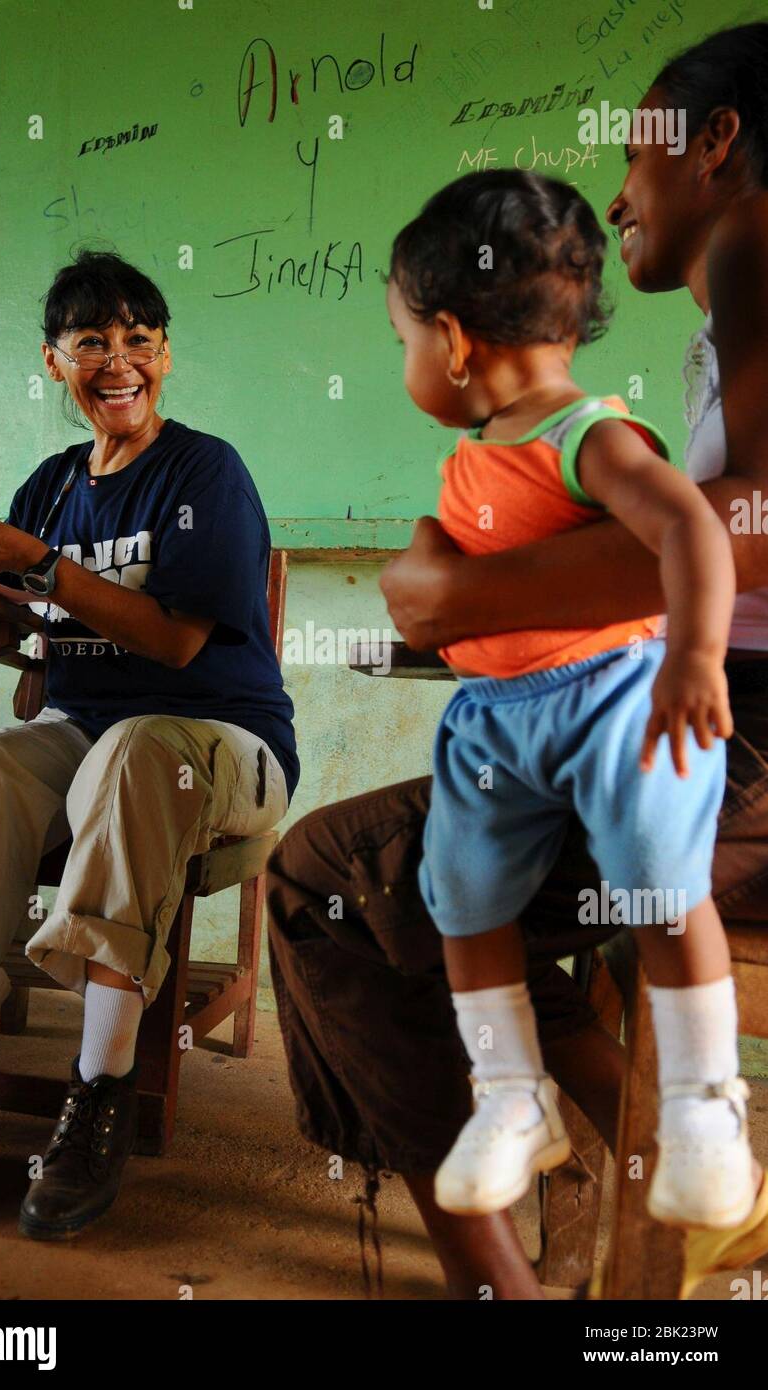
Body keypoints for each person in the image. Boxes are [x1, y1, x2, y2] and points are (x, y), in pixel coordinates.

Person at [268, 22, 768, 1297]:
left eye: (641, 147)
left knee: (325, 886)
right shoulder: (689, 355)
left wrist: (454, 593)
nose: (617, 194)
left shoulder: (743, 287)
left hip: (727, 734)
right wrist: (468, 611)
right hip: (670, 717)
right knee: (456, 891)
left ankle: (512, 1270)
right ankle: (653, 1153)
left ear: (715, 143)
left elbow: (735, 530)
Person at [388, 165, 755, 1230]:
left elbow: (691, 527)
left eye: (404, 339)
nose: (407, 361)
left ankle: (700, 1106)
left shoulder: (583, 434)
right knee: (459, 898)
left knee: (654, 879)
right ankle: (509, 1094)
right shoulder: (475, 454)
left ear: (453, 341)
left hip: (613, 699)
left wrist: (690, 657)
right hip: (497, 721)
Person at [0, 249, 299, 1240]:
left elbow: (173, 640)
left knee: (135, 750)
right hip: (90, 740)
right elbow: (7, 629)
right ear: (54, 362)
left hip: (220, 747)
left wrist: (37, 561)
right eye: (91, 342)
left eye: (137, 340)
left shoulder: (203, 469)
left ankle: (97, 1095)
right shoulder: (47, 487)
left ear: (165, 356)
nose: (116, 361)